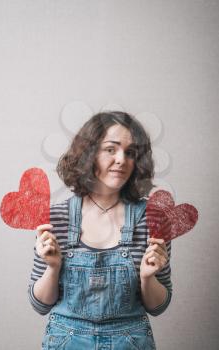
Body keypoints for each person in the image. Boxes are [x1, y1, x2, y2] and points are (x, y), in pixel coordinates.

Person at [28, 111, 172, 350]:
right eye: (110, 149)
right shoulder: (56, 218)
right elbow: (40, 305)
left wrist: (148, 278)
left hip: (131, 342)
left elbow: (158, 307)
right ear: (88, 153)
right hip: (66, 341)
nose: (121, 160)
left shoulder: (152, 219)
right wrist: (52, 268)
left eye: (131, 153)